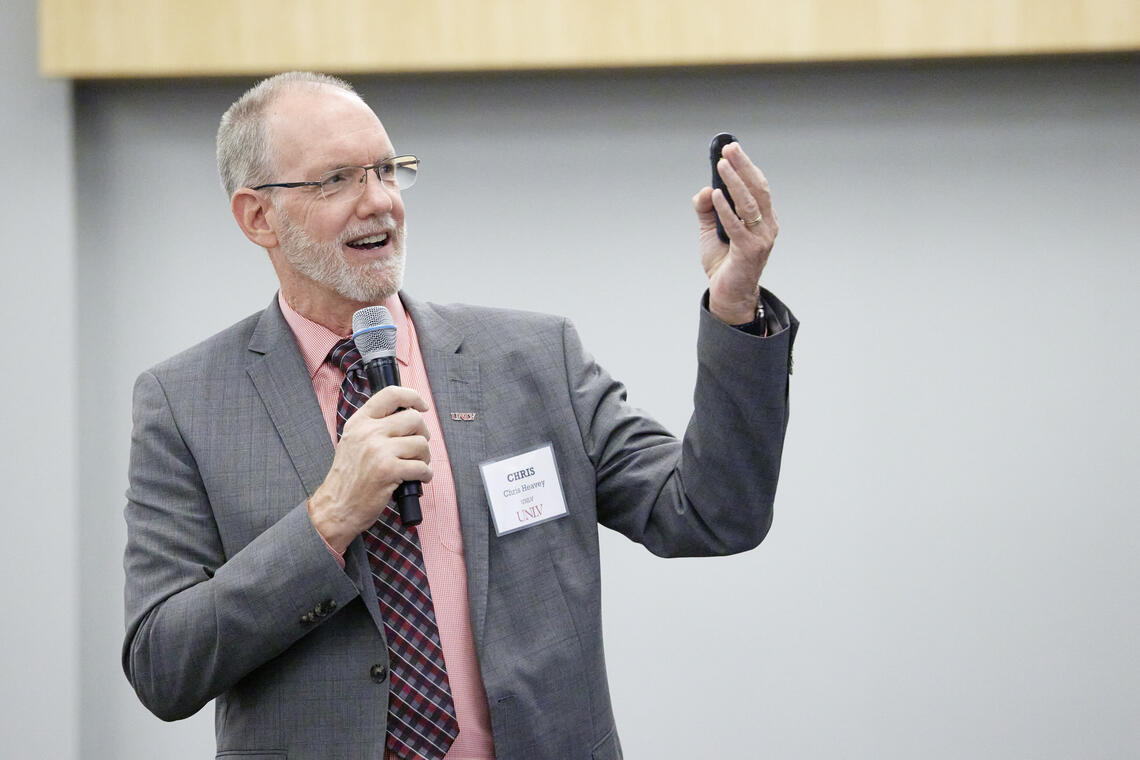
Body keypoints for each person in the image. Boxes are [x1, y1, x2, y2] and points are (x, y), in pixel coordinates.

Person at [122, 71, 797, 760]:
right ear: (257, 216)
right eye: (337, 180)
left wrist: (735, 306)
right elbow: (162, 666)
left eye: (386, 170)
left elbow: (716, 512)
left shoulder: (536, 360)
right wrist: (328, 518)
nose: (379, 202)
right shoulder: (186, 404)